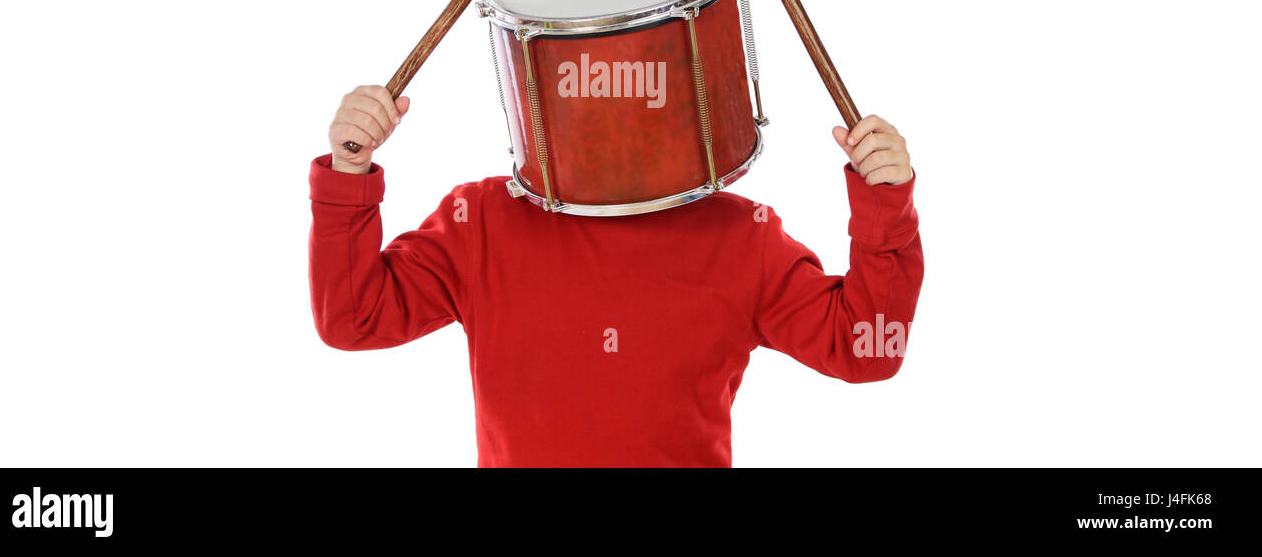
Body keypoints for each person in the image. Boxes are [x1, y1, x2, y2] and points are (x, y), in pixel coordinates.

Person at [308, 85, 923, 467]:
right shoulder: (482, 222)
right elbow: (352, 318)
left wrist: (886, 206)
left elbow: (864, 348)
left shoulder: (742, 237)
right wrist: (348, 169)